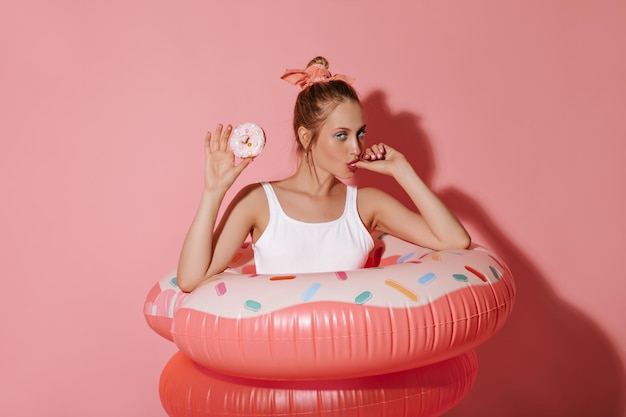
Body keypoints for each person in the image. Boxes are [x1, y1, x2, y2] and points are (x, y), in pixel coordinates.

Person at [176, 56, 470, 292]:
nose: (356, 147)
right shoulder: (258, 201)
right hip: (276, 357)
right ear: (306, 137)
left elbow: (455, 241)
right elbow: (190, 280)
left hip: (348, 358)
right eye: (341, 135)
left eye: (360, 133)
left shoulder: (367, 204)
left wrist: (403, 171)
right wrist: (213, 192)